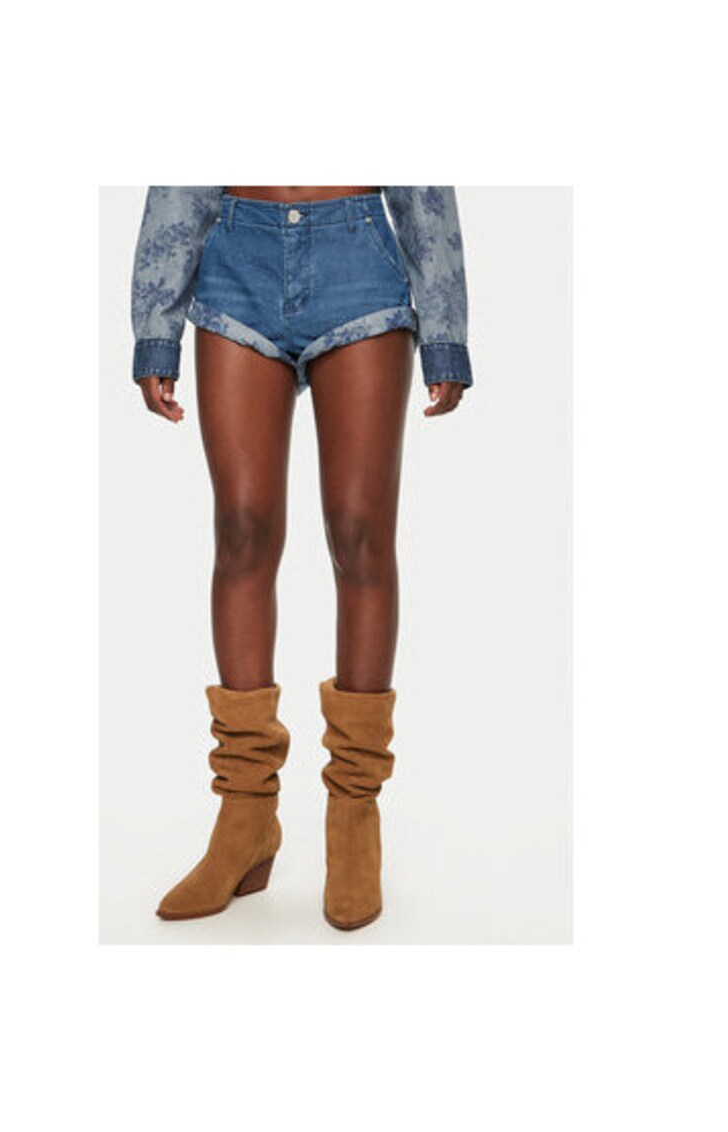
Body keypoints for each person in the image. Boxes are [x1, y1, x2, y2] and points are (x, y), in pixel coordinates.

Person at [130, 185, 473, 930]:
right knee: (241, 530)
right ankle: (245, 815)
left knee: (360, 534)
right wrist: (156, 329)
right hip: (235, 265)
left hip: (361, 263)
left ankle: (354, 815)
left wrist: (445, 329)